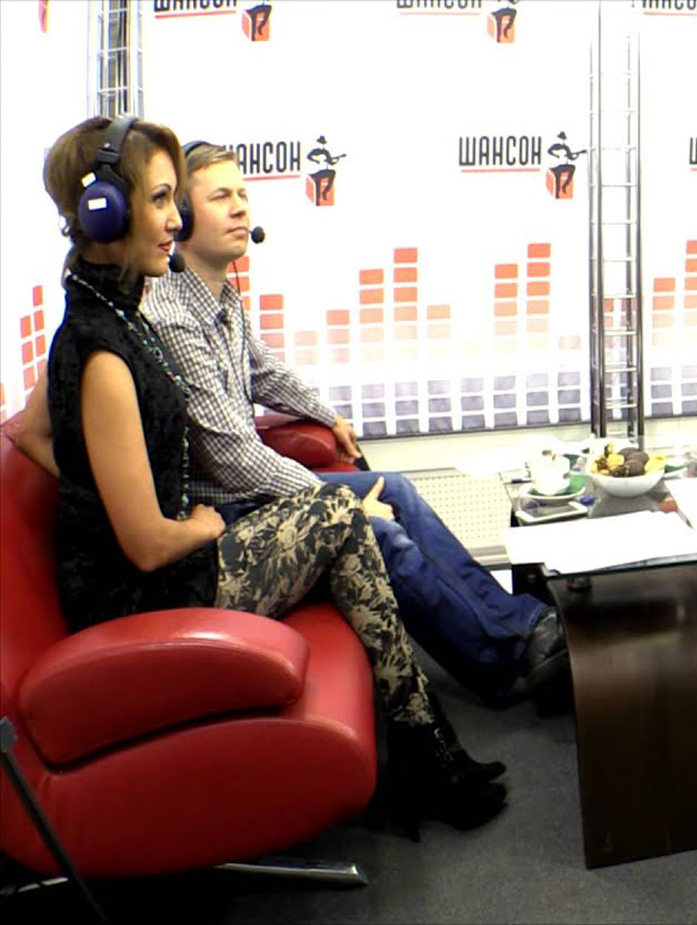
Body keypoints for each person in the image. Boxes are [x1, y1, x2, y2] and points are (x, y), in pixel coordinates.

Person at [30, 114, 507, 839]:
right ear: (107, 212)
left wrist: (96, 480)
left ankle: (422, 744)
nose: (174, 220)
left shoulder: (103, 315)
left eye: (174, 201)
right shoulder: (104, 351)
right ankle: (425, 749)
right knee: (342, 516)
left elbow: (36, 433)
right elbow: (148, 544)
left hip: (165, 563)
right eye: (159, 201)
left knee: (344, 521)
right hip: (143, 590)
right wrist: (198, 523)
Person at [139, 140, 569, 712]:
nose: (241, 207)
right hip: (226, 512)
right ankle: (506, 657)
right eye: (221, 197)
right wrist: (343, 505)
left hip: (251, 495)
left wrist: (328, 414)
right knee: (378, 530)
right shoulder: (171, 314)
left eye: (243, 193)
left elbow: (265, 372)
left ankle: (526, 625)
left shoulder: (220, 300)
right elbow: (234, 459)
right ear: (183, 217)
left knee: (399, 490)